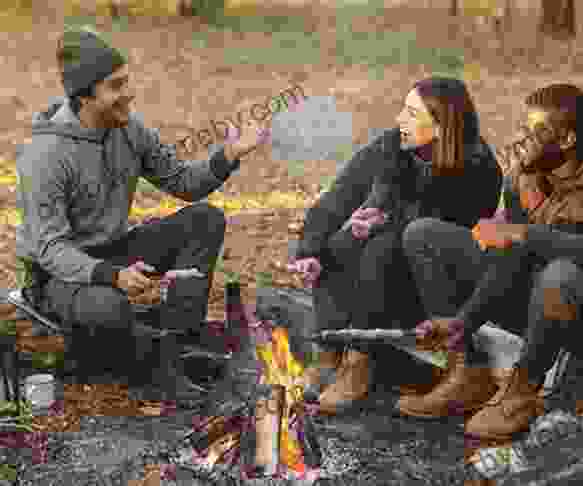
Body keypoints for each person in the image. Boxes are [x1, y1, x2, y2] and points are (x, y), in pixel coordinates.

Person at [15, 26, 269, 402]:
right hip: (59, 276)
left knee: (205, 219)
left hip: (115, 253)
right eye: (116, 86)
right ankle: (150, 364)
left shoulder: (129, 130)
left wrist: (229, 154)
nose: (129, 93)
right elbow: (50, 248)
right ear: (86, 95)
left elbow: (183, 181)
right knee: (107, 305)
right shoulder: (45, 156)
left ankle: (180, 342)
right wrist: (111, 276)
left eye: (127, 82)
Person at [398, 83, 583, 440]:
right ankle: (465, 371)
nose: (521, 140)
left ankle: (522, 388)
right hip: (534, 299)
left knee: (560, 273)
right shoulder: (523, 176)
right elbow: (512, 257)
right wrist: (465, 321)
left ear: (565, 140)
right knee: (424, 235)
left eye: (533, 132)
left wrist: (526, 234)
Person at [289, 77, 503, 415]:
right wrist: (309, 252)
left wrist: (382, 217)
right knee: (334, 240)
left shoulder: (477, 167)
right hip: (383, 269)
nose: (400, 120)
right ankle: (330, 351)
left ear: (440, 126)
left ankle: (360, 360)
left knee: (381, 246)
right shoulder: (394, 144)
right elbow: (337, 198)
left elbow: (431, 233)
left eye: (411, 113)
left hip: (431, 288)